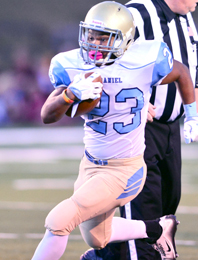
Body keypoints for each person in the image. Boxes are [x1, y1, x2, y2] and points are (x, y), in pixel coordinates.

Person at [31, 2, 198, 260]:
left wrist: (192, 115)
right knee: (97, 236)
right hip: (90, 164)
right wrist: (69, 95)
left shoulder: (143, 61)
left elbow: (182, 72)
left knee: (58, 221)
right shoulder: (73, 64)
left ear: (126, 39)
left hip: (124, 169)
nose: (95, 44)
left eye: (104, 38)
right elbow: (47, 115)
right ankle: (159, 228)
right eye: (91, 36)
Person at [81, 0, 198, 259]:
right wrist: (133, 98)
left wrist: (192, 111)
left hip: (171, 129)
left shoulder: (186, 18)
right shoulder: (136, 13)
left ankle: (107, 256)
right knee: (145, 206)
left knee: (168, 203)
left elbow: (191, 68)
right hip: (139, 129)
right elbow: (98, 57)